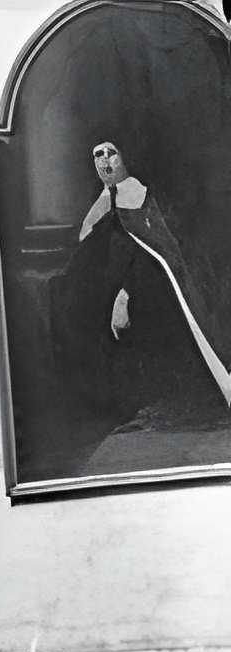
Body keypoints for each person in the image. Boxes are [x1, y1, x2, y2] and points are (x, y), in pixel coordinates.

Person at [54, 139, 231, 440]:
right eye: (98, 154)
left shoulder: (139, 195)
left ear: (125, 158)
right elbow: (89, 244)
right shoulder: (103, 199)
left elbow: (155, 255)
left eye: (112, 153)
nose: (106, 160)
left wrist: (124, 295)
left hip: (149, 294)